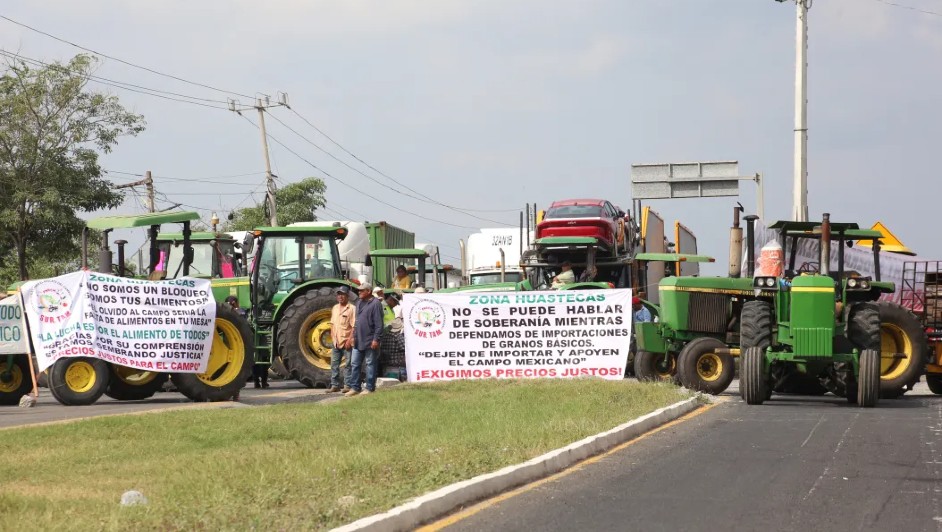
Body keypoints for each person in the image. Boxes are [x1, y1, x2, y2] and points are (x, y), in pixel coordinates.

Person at [345, 281, 384, 396]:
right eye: (359, 290)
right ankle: (355, 387)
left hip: (369, 339)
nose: (359, 292)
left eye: (362, 290)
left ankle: (369, 388)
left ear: (368, 291)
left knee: (370, 364)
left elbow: (379, 324)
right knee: (355, 364)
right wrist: (353, 336)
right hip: (358, 339)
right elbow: (356, 322)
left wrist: (376, 339)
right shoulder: (359, 302)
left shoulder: (376, 304)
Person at [329, 286, 356, 393]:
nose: (340, 296)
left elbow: (354, 326)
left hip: (346, 341)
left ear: (347, 296)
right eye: (338, 294)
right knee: (334, 365)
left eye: (342, 294)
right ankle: (335, 385)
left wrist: (350, 340)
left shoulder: (352, 308)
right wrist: (333, 337)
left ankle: (347, 385)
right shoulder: (335, 308)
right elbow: (332, 324)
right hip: (336, 341)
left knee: (348, 365)